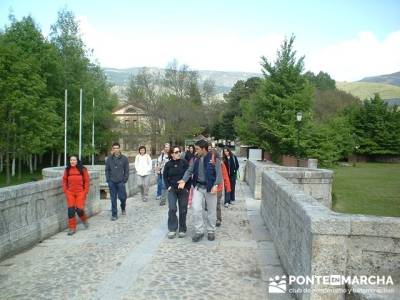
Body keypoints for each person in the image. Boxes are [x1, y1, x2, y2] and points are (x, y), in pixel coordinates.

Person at [178, 139, 222, 242]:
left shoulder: (214, 157)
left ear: (203, 149)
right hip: (198, 187)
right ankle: (199, 231)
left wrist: (216, 185)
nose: (195, 151)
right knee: (196, 208)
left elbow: (219, 173)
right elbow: (189, 170)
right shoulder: (195, 158)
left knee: (211, 210)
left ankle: (211, 230)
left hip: (210, 188)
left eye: (197, 149)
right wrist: (184, 180)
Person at [163, 146, 190, 239]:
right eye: (176, 152)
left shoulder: (185, 163)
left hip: (183, 190)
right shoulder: (168, 164)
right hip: (172, 190)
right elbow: (165, 176)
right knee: (172, 208)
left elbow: (189, 174)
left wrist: (187, 187)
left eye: (179, 151)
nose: (179, 153)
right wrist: (168, 187)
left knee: (183, 209)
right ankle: (172, 228)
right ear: (172, 154)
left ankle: (182, 228)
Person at [62, 155, 90, 235]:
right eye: (71, 160)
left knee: (79, 210)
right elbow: (64, 181)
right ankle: (72, 228)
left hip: (80, 192)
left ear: (77, 161)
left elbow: (87, 181)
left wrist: (85, 191)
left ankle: (84, 220)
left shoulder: (83, 169)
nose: (72, 162)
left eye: (74, 160)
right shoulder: (67, 170)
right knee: (71, 211)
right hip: (70, 193)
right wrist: (66, 191)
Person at [105, 142, 130, 221]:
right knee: (113, 198)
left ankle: (123, 207)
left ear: (119, 149)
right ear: (112, 149)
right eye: (114, 148)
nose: (116, 149)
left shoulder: (124, 158)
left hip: (121, 181)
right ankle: (114, 214)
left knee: (123, 197)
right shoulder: (109, 159)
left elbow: (127, 170)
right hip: (112, 182)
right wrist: (108, 180)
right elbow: (107, 170)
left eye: (117, 148)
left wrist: (124, 180)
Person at [210, 149, 231, 227]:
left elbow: (225, 176)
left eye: (213, 157)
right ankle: (212, 218)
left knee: (217, 204)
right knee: (210, 204)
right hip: (209, 188)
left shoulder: (221, 164)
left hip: (218, 188)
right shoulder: (208, 164)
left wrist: (228, 188)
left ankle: (218, 219)